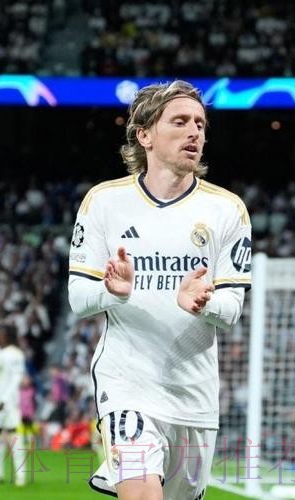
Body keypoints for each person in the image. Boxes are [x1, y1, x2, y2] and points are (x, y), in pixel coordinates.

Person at [68, 80, 252, 500]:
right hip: (126, 386)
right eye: (180, 121)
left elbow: (231, 309)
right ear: (145, 135)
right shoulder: (103, 202)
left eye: (200, 124)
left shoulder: (227, 209)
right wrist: (113, 293)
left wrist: (203, 302)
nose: (195, 132)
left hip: (194, 397)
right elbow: (78, 298)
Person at [0, 324, 26, 487]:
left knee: (14, 437)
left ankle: (20, 476)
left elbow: (16, 379)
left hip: (9, 403)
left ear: (8, 335)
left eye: (0, 332)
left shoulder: (16, 354)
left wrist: (5, 399)